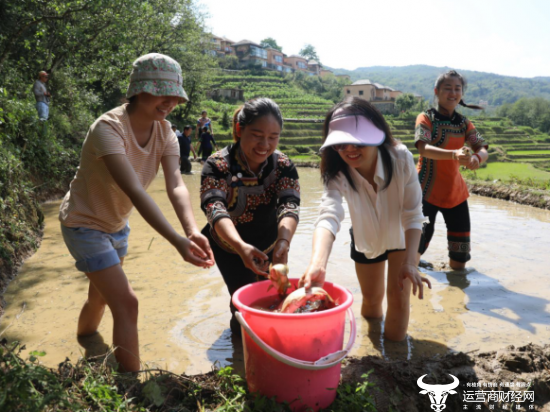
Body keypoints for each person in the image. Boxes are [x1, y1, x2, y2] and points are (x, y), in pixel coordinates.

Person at [59, 53, 214, 372]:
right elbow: (136, 191)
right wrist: (175, 241)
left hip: (116, 224)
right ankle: (131, 388)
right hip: (84, 224)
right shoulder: (108, 129)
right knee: (127, 303)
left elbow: (175, 185)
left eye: (174, 95)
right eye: (161, 92)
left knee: (101, 298)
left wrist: (191, 230)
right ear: (139, 90)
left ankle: (87, 340)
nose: (170, 101)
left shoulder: (166, 132)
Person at [299, 97, 430, 342]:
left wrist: (411, 262)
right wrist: (318, 262)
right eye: (340, 143)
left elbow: (413, 214)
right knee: (371, 300)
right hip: (365, 237)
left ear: (375, 134)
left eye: (356, 141)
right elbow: (329, 214)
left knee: (399, 299)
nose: (349, 149)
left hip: (404, 236)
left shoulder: (400, 158)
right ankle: (370, 352)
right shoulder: (336, 171)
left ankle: (395, 358)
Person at [200, 97, 300, 334]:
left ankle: (272, 346)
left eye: (273, 137)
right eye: (257, 134)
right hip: (229, 246)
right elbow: (215, 207)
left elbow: (290, 204)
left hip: (272, 243)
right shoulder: (217, 165)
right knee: (243, 302)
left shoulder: (283, 164)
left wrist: (283, 243)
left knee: (273, 299)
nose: (265, 144)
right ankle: (242, 358)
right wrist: (241, 246)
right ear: (239, 129)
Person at [415, 70, 489, 270]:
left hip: (455, 194)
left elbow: (482, 147)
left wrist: (476, 158)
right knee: (414, 250)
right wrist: (453, 154)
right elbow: (423, 147)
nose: (453, 93)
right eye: (448, 88)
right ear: (437, 92)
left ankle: (456, 293)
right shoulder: (426, 118)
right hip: (425, 193)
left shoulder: (464, 123)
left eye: (458, 89)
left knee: (460, 257)